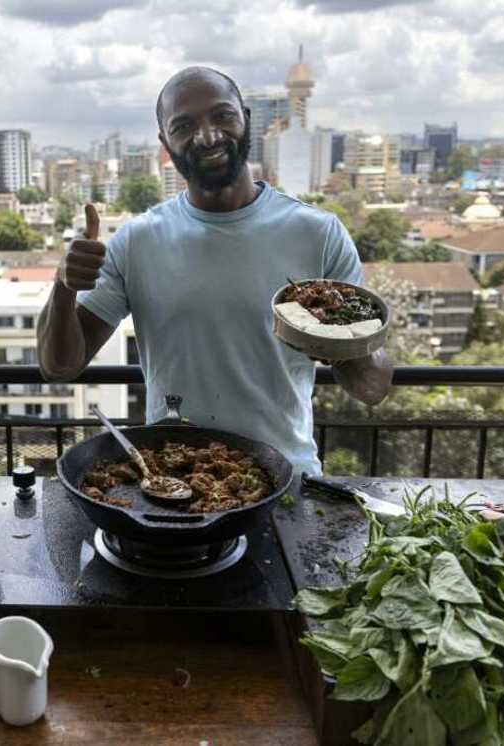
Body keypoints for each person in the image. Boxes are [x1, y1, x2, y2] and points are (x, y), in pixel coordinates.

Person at [36, 66, 392, 476]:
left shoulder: (318, 233)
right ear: (165, 144)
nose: (207, 136)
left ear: (246, 118)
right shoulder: (137, 241)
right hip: (175, 482)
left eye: (222, 116)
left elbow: (372, 388)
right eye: (184, 126)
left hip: (286, 478)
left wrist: (341, 346)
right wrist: (63, 286)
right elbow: (58, 366)